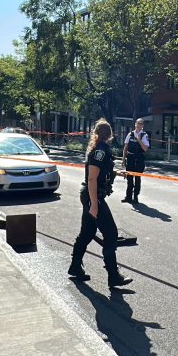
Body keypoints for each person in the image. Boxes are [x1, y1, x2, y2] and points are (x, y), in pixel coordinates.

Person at [68, 118, 133, 288]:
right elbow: (91, 177)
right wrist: (94, 204)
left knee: (87, 233)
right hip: (93, 196)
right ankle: (113, 276)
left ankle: (75, 267)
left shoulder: (98, 148)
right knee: (111, 234)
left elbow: (100, 170)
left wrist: (116, 172)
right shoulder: (101, 150)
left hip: (90, 195)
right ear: (110, 134)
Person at [121, 118, 150, 205]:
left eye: (141, 124)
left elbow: (145, 149)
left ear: (142, 126)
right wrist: (123, 159)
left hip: (139, 159)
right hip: (130, 158)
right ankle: (128, 197)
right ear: (135, 124)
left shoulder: (144, 135)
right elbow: (126, 147)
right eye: (137, 123)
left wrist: (139, 140)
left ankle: (135, 197)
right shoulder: (130, 134)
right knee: (129, 178)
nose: (139, 125)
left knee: (137, 178)